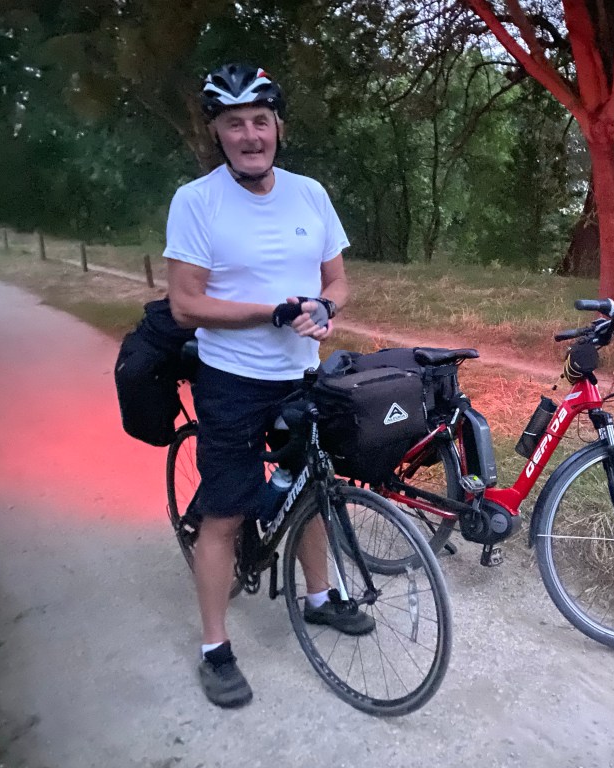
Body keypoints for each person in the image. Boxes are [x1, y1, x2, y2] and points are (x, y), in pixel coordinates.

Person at [164, 63, 373, 709]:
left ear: (278, 126)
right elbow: (185, 304)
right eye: (235, 125)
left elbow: (338, 281)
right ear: (218, 134)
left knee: (310, 487)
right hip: (230, 382)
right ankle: (215, 648)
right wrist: (270, 311)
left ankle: (319, 597)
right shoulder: (197, 201)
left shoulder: (309, 194)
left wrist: (326, 307)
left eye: (260, 121)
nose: (250, 135)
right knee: (226, 513)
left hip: (301, 376)